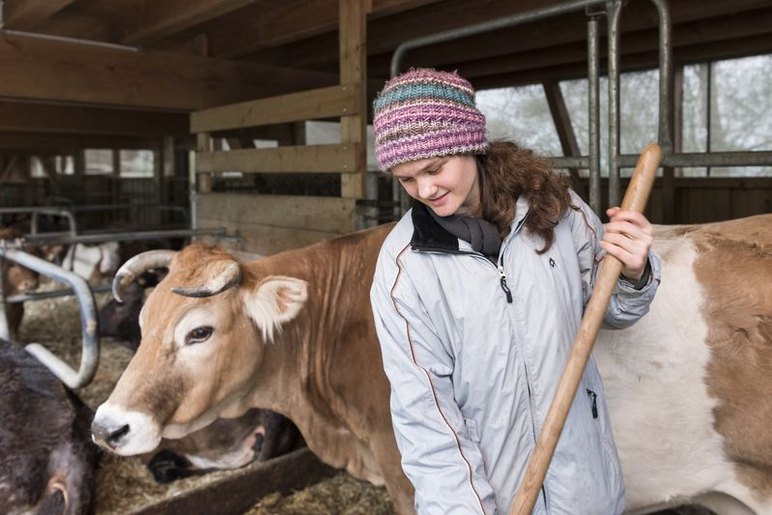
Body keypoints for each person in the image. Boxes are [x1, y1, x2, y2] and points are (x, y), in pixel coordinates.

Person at [369, 68, 660, 514]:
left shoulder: (557, 209)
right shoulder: (404, 270)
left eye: (434, 168)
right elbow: (427, 419)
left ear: (469, 144)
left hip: (587, 486)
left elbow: (614, 309)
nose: (424, 190)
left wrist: (633, 271)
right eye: (406, 179)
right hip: (495, 496)